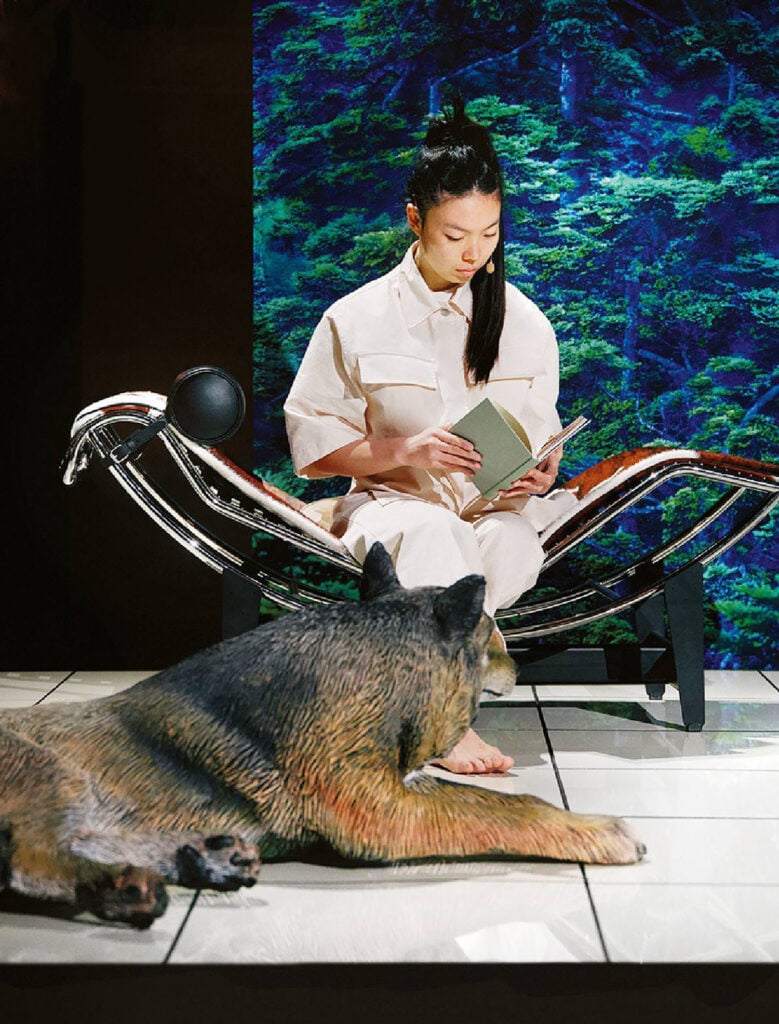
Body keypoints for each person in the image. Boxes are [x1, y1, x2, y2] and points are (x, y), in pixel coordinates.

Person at [284, 100, 573, 774]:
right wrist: (402, 452)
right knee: (438, 535)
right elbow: (314, 451)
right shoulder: (355, 318)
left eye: (489, 233)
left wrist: (541, 474)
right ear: (414, 220)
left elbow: (542, 438)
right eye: (454, 235)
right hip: (392, 507)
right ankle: (448, 716)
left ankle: (415, 689)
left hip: (491, 507)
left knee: (511, 543)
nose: (474, 252)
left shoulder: (525, 323)